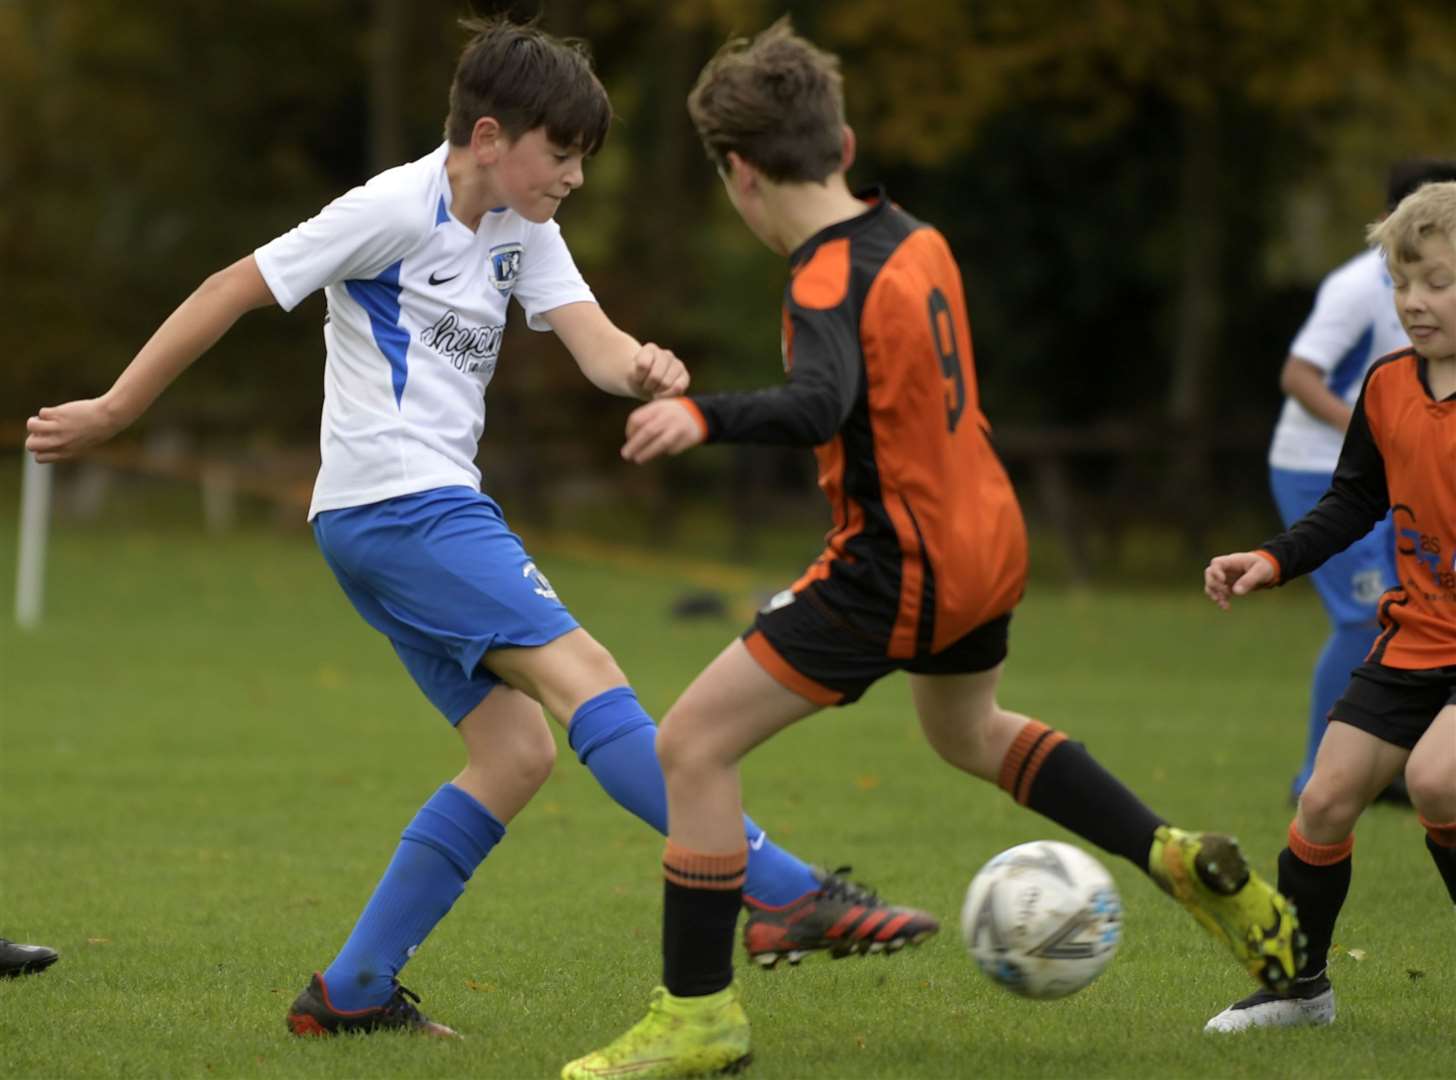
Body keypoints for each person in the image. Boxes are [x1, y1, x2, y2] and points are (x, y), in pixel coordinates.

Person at [23, 16, 936, 1040]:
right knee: (586, 674)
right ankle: (780, 892)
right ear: (492, 138)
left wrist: (645, 365)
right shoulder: (388, 208)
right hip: (400, 505)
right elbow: (230, 288)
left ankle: (352, 991)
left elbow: (593, 346)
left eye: (587, 160)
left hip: (402, 518)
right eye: (564, 155)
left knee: (514, 756)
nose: (577, 179)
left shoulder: (521, 226)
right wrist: (113, 409)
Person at [561, 19, 1302, 1078]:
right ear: (845, 144)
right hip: (988, 537)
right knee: (967, 730)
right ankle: (1165, 852)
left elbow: (822, 401)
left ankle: (697, 1017)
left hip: (898, 562)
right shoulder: (916, 236)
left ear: (738, 172)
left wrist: (703, 417)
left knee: (689, 748)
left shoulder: (821, 278)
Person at [1202, 179, 1456, 1033]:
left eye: (1438, 283)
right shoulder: (1387, 387)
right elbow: (1353, 502)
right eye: (1403, 281)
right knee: (1323, 800)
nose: (1414, 302)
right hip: (1418, 635)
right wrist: (1270, 559)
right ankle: (1298, 989)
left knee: (1437, 781)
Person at [1268, 158, 1456, 804]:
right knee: (1361, 617)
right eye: (1405, 278)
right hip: (1315, 463)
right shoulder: (1357, 287)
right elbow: (1299, 373)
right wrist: (1392, 432)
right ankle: (1318, 775)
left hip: (1409, 466)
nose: (1413, 297)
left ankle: (1412, 762)